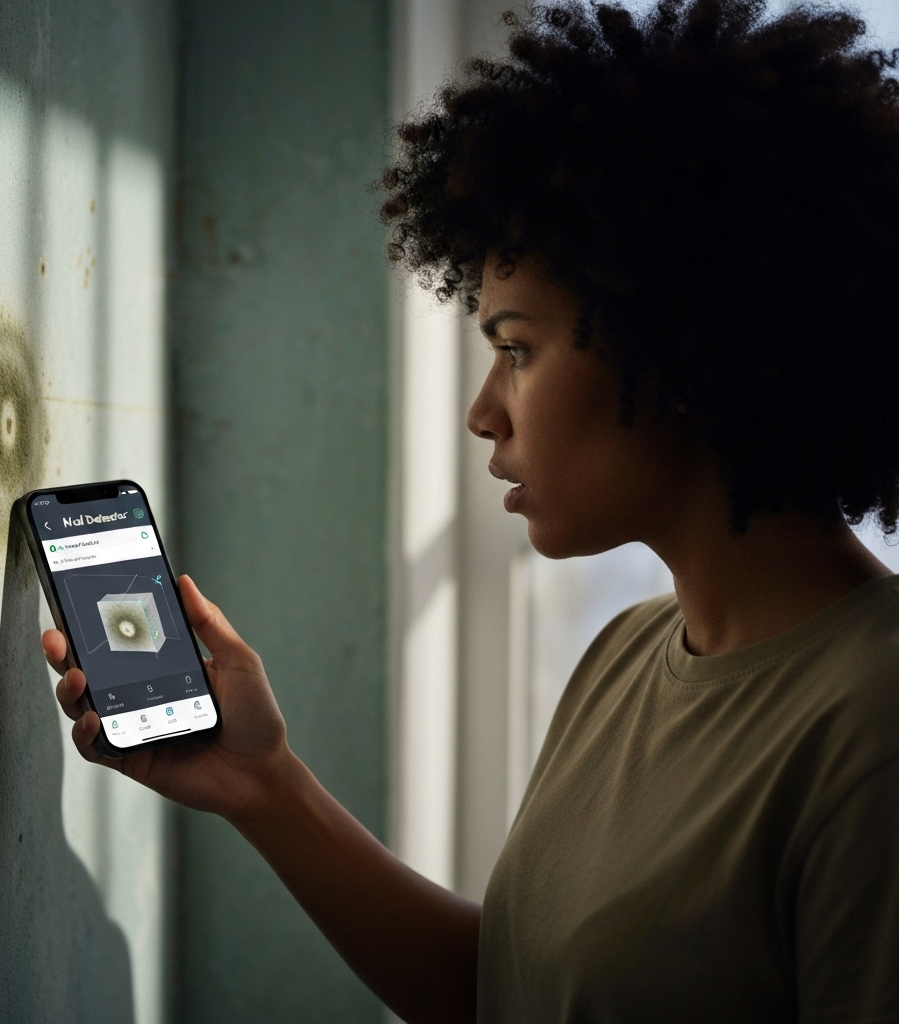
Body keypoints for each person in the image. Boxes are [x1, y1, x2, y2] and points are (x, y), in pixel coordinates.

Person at [45, 1, 899, 1020]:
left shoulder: (873, 722)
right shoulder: (626, 655)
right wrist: (262, 783)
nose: (481, 411)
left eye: (517, 348)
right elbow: (506, 994)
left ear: (677, 352)